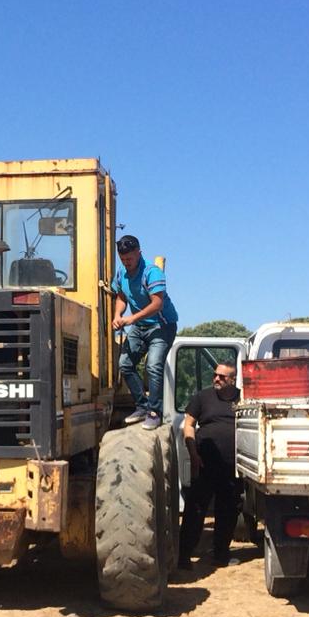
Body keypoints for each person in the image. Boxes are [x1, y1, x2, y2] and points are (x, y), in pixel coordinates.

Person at [112, 234, 178, 431]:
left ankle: (154, 412)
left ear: (139, 253)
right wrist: (117, 314)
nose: (127, 263)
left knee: (153, 366)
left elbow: (157, 304)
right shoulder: (121, 273)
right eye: (123, 260)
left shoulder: (152, 272)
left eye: (130, 259)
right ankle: (141, 406)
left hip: (161, 325)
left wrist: (131, 319)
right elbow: (121, 297)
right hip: (140, 326)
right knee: (125, 364)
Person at [179, 359, 241, 566]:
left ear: (233, 380)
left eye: (222, 377)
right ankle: (184, 556)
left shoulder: (244, 398)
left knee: (228, 510)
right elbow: (188, 425)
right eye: (215, 375)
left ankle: (221, 555)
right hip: (205, 464)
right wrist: (193, 454)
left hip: (233, 467)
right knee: (195, 510)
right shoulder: (202, 397)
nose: (216, 379)